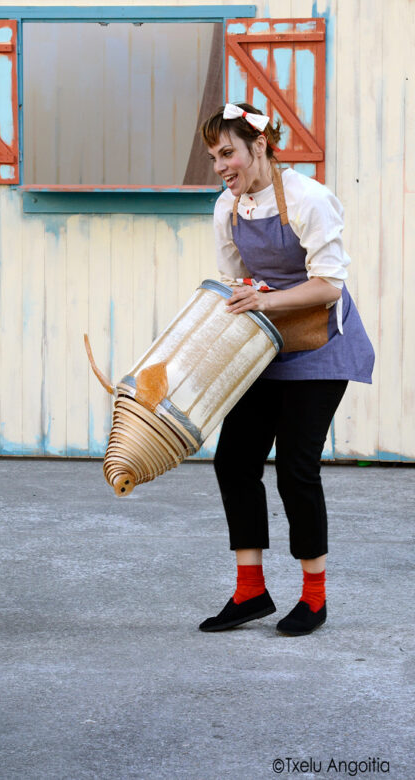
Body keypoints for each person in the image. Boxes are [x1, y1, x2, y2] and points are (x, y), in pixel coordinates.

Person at [198, 103, 374, 636]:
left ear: (260, 146)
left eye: (228, 152)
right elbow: (236, 286)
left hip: (321, 346)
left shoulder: (308, 198)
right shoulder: (226, 210)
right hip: (267, 346)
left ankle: (314, 599)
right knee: (234, 461)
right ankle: (250, 591)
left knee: (297, 468)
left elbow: (329, 285)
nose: (221, 166)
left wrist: (265, 302)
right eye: (213, 157)